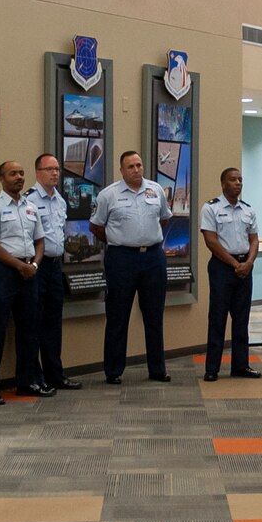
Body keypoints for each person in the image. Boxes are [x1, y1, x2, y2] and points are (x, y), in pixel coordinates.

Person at [92, 150, 172, 384]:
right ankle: (114, 371)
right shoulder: (109, 195)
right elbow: (96, 227)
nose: (136, 170)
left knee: (154, 315)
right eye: (131, 167)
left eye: (139, 165)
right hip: (121, 259)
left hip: (153, 258)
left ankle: (157, 369)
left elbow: (164, 219)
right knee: (118, 315)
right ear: (122, 170)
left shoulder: (156, 190)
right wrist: (119, 241)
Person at [0, 159, 42, 402]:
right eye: (13, 174)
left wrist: (33, 265)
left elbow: (40, 241)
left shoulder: (31, 207)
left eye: (22, 173)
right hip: (5, 271)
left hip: (29, 271)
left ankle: (26, 382)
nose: (19, 177)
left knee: (29, 329)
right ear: (2, 179)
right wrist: (19, 266)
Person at [198, 167, 259, 381]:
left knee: (241, 319)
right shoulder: (211, 208)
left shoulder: (248, 210)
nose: (238, 183)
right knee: (217, 318)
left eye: (240, 179)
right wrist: (235, 264)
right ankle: (212, 368)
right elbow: (211, 241)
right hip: (223, 268)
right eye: (233, 180)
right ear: (223, 184)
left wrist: (249, 262)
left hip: (245, 268)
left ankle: (240, 366)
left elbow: (254, 239)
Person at [26, 153, 78, 392]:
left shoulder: (60, 200)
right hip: (37, 266)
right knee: (34, 321)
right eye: (50, 169)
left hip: (56, 265)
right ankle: (36, 377)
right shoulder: (29, 201)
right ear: (38, 172)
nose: (55, 173)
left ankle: (55, 374)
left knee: (54, 322)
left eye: (57, 169)